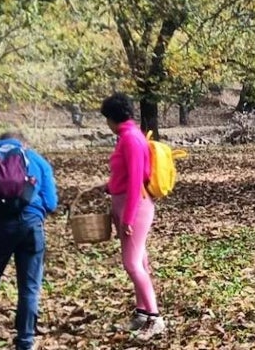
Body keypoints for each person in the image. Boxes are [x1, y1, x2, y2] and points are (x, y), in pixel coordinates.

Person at [0, 131, 58, 350]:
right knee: (29, 288)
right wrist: (35, 212)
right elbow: (52, 203)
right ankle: (25, 342)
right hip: (30, 227)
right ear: (23, 142)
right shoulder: (37, 160)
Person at [101, 93, 165, 341]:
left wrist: (127, 218)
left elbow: (138, 177)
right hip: (125, 203)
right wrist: (110, 186)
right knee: (140, 260)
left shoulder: (130, 138)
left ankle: (155, 317)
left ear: (112, 118)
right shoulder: (125, 137)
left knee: (131, 263)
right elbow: (124, 173)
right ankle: (141, 312)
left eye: (106, 118)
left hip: (135, 207)